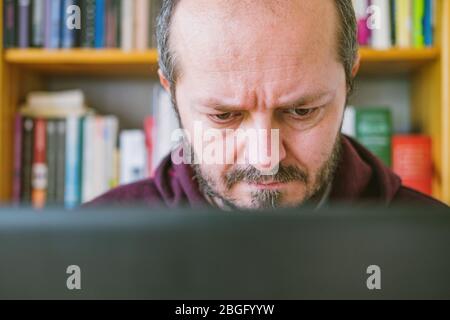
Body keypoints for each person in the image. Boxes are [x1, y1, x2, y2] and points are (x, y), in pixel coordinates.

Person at [86, 0, 446, 210]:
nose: (265, 158)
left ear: (350, 77)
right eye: (224, 115)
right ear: (171, 92)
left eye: (301, 111)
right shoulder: (87, 247)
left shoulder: (436, 245)